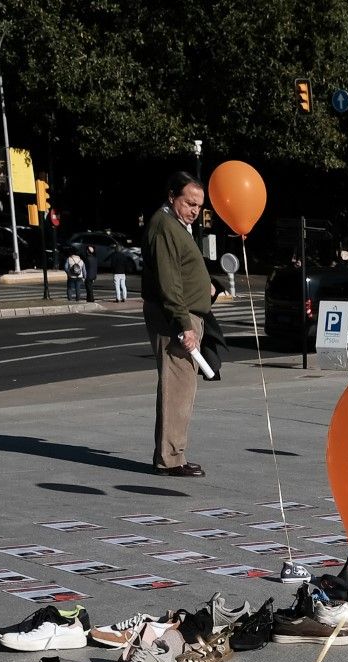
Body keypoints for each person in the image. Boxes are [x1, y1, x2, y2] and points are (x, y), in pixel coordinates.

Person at [143, 171, 223, 478]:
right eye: (189, 203)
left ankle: (171, 454)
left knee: (181, 386)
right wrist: (183, 325)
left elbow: (181, 272)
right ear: (172, 196)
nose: (194, 210)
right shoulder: (165, 227)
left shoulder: (175, 225)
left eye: (199, 206)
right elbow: (168, 281)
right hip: (177, 317)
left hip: (185, 313)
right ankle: (170, 459)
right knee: (178, 387)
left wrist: (208, 286)